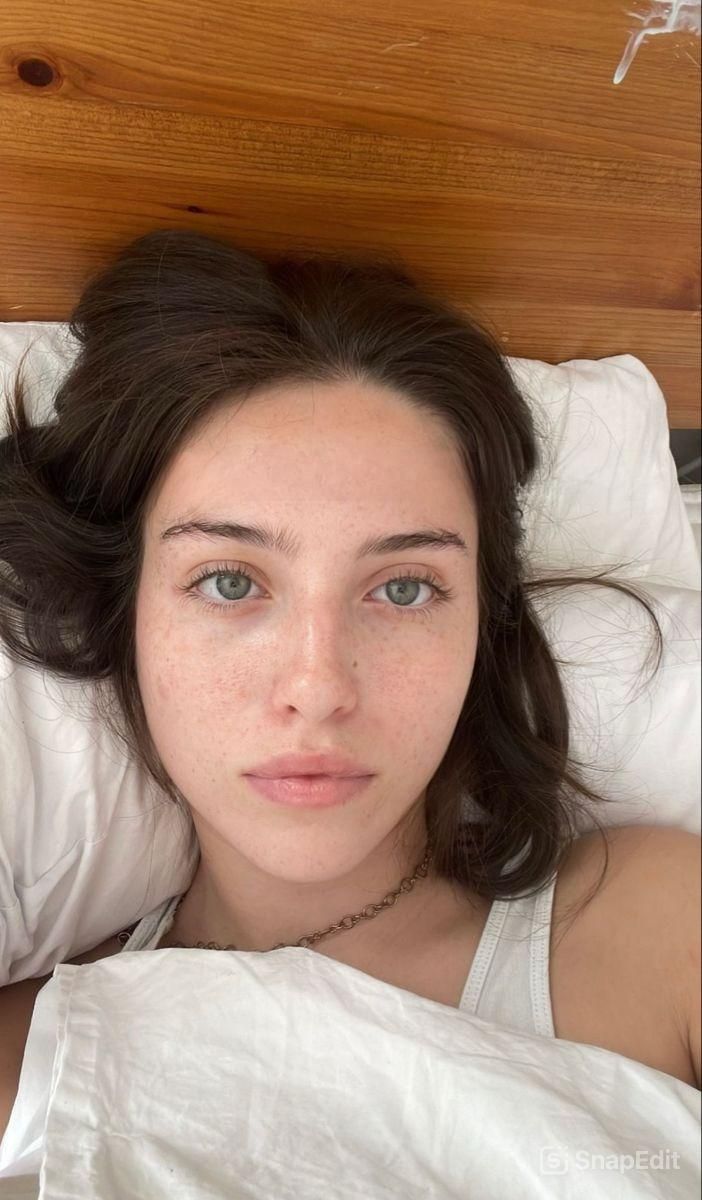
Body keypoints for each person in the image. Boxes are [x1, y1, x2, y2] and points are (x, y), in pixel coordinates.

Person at [0, 230, 699, 1105]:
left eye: (404, 588)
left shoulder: (658, 935)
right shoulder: (39, 1058)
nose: (319, 688)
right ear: (126, 612)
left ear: (483, 623)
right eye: (229, 581)